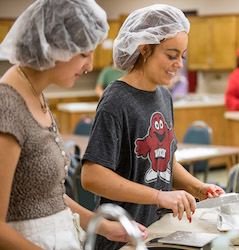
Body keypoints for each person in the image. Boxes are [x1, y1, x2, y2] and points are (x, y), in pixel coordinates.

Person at [0, 0, 147, 249]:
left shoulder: (37, 96)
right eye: (84, 53)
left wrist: (104, 227)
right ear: (54, 45)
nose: (89, 65)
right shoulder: (7, 106)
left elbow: (50, 198)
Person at [80, 4, 225, 249]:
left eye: (183, 56)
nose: (179, 64)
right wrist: (158, 196)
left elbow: (167, 163)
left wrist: (198, 187)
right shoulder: (116, 99)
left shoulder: (163, 96)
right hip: (121, 236)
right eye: (171, 55)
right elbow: (91, 176)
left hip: (154, 231)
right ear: (145, 49)